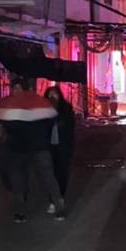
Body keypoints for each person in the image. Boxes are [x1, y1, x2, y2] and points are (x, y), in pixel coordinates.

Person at [0, 77, 65, 224]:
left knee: (24, 179)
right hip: (34, 147)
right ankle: (58, 208)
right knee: (39, 178)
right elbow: (53, 120)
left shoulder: (7, 106)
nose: (15, 91)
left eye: (16, 88)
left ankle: (21, 211)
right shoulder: (41, 104)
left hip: (24, 148)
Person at [44, 86, 75, 215]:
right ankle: (53, 200)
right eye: (50, 94)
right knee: (50, 174)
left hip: (63, 147)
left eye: (55, 94)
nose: (52, 97)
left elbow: (70, 128)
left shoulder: (66, 109)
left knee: (61, 174)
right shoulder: (42, 110)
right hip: (48, 147)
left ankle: (59, 198)